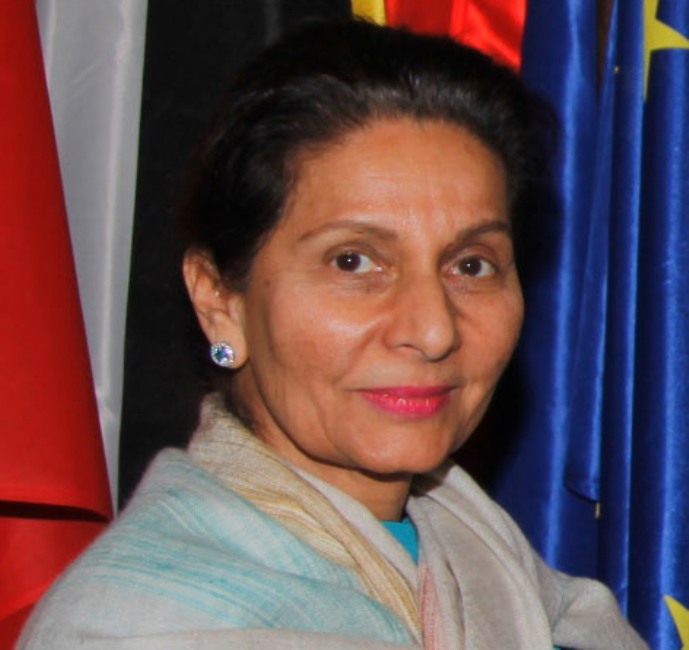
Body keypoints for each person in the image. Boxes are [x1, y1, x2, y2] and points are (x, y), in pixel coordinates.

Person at [19, 19, 647, 650]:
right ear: (219, 300)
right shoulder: (137, 627)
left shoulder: (490, 562)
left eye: (471, 265)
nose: (433, 330)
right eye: (354, 261)